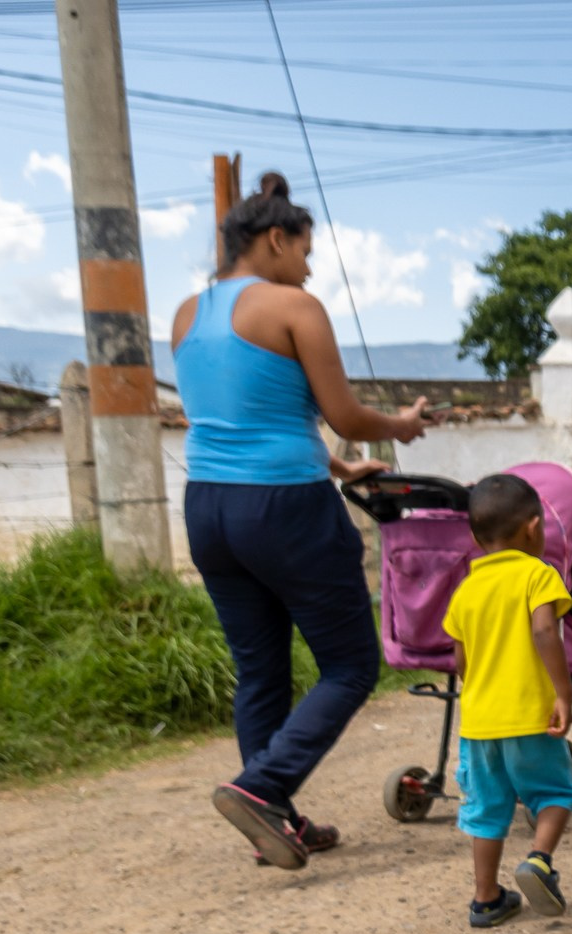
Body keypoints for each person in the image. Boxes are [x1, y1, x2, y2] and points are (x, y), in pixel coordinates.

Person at [170, 173, 434, 870]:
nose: (311, 266)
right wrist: (401, 426)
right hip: (284, 507)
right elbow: (345, 416)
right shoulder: (295, 306)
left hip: (208, 506)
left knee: (259, 671)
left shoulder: (186, 314)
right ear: (276, 239)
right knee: (349, 664)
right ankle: (262, 788)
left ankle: (272, 818)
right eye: (306, 250)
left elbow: (246, 413)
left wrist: (339, 469)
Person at [442, 473, 572, 927]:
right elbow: (545, 630)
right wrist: (563, 692)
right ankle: (539, 860)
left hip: (480, 723)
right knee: (555, 792)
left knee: (485, 811)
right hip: (530, 716)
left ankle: (485, 899)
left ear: (475, 537)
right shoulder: (538, 575)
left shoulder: (465, 590)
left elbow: (459, 659)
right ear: (534, 528)